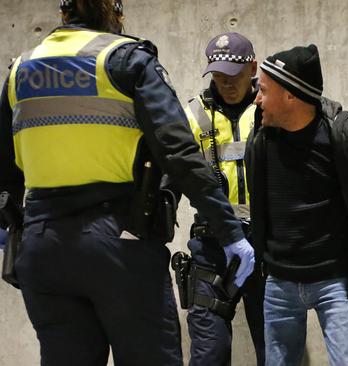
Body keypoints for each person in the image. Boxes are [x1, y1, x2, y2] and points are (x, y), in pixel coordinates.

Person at [0, 1, 255, 365]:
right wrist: (230, 231)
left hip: (44, 248)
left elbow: (4, 175)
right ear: (114, 13)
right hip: (120, 242)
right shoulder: (125, 60)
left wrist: (13, 228)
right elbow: (180, 154)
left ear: (63, 12)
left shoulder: (20, 70)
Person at [247, 44, 348, 366]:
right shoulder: (262, 138)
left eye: (262, 90)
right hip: (278, 281)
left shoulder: (344, 137)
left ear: (290, 95)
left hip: (335, 282)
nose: (256, 99)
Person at [182, 32, 264, 366]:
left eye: (235, 75)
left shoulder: (271, 107)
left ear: (253, 68)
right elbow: (173, 172)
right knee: (208, 353)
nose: (227, 84)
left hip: (265, 246)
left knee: (275, 352)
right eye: (218, 76)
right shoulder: (192, 115)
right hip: (211, 247)